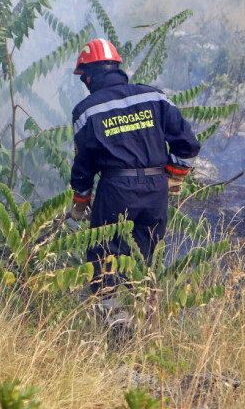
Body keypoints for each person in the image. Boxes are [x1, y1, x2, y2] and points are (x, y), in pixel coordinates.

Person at [68, 38, 201, 304]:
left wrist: (81, 200)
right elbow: (188, 144)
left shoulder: (86, 110)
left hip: (116, 191)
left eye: (84, 77)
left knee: (105, 257)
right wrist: (173, 175)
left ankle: (114, 321)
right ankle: (143, 316)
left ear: (90, 76)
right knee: (145, 259)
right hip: (155, 191)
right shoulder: (154, 96)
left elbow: (84, 165)